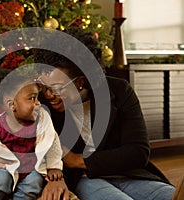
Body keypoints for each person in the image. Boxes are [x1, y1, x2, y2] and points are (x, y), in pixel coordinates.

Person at [35, 27, 176, 200]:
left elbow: (138, 152)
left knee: (171, 196)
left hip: (129, 174)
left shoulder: (119, 90)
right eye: (43, 85)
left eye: (56, 88)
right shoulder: (40, 103)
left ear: (80, 82)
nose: (48, 94)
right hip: (84, 180)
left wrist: (77, 160)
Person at [0, 66, 64, 200]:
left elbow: (51, 141)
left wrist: (54, 166)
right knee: (0, 181)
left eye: (37, 97)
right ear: (11, 104)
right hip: (5, 167)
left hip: (31, 167)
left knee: (34, 183)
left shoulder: (42, 119)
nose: (38, 103)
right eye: (32, 98)